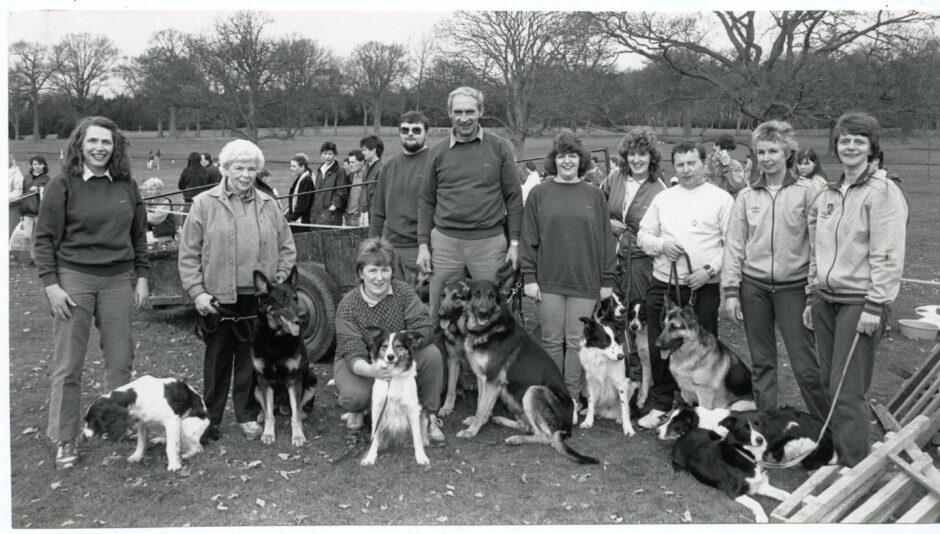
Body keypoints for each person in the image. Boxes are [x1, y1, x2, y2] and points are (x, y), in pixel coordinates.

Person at [34, 116, 150, 469]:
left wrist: (142, 276)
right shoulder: (62, 184)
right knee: (69, 364)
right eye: (93, 142)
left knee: (120, 360)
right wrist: (52, 286)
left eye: (107, 143)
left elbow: (139, 236)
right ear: (79, 145)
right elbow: (43, 239)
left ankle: (116, 424)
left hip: (118, 280)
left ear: (116, 148)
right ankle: (66, 437)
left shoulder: (126, 185)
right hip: (74, 280)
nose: (100, 148)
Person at [804, 112, 907, 467]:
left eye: (858, 141)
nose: (850, 146)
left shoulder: (883, 192)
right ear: (836, 145)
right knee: (829, 383)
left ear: (871, 148)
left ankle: (852, 468)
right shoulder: (830, 191)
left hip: (859, 303)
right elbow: (818, 247)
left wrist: (875, 305)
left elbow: (888, 253)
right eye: (844, 139)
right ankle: (839, 452)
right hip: (825, 299)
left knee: (848, 390)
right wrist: (811, 293)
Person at [178, 139, 296, 443]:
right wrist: (198, 292)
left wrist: (279, 280)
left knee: (249, 360)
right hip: (218, 298)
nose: (246, 174)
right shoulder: (204, 203)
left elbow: (287, 247)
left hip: (256, 299)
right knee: (217, 360)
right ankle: (209, 418)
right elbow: (189, 253)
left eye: (251, 168)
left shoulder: (269, 204)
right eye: (239, 167)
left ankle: (245, 414)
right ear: (225, 168)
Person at [722, 121, 829, 422]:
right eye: (761, 152)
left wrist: (812, 291)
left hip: (794, 289)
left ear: (787, 153)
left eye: (773, 151)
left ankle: (826, 427)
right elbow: (734, 245)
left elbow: (820, 245)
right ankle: (767, 426)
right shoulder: (746, 196)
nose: (767, 158)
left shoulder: (809, 191)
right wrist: (731, 291)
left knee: (805, 365)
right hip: (753, 288)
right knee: (762, 363)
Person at [636, 141, 734, 429]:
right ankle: (662, 404)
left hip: (703, 286)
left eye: (692, 163)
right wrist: (661, 245)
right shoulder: (664, 199)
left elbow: (732, 243)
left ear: (704, 164)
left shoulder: (721, 199)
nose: (686, 169)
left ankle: (705, 409)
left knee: (703, 349)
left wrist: (710, 269)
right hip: (664, 284)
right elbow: (644, 234)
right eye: (681, 164)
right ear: (674, 166)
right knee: (661, 344)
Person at [520, 133, 616, 404]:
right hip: (547, 280)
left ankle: (572, 399)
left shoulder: (595, 195)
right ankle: (553, 397)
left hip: (585, 281)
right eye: (561, 155)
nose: (566, 161)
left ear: (581, 160)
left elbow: (606, 240)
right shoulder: (539, 194)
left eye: (572, 155)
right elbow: (528, 239)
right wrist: (529, 277)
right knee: (551, 341)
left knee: (576, 342)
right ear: (554, 160)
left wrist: (606, 280)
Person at [417, 86, 524, 323]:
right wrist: (424, 245)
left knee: (492, 315)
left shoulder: (499, 148)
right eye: (458, 112)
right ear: (449, 113)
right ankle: (443, 359)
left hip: (488, 244)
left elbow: (514, 199)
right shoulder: (437, 152)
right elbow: (426, 201)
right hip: (445, 244)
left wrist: (514, 243)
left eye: (469, 111)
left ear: (481, 111)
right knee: (439, 313)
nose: (463, 118)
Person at [333, 237, 446, 445]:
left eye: (385, 270)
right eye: (372, 271)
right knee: (354, 395)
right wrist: (374, 370)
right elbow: (351, 350)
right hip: (362, 362)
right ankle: (359, 410)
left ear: (392, 272)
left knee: (432, 355)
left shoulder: (403, 292)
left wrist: (402, 346)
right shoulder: (348, 304)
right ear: (361, 273)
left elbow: (424, 328)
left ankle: (428, 416)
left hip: (398, 354)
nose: (379, 277)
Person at [601, 130, 668, 305]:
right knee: (608, 312)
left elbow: (663, 232)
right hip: (608, 258)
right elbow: (595, 208)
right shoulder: (614, 178)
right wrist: (606, 224)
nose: (636, 160)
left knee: (636, 314)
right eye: (632, 154)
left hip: (639, 262)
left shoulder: (660, 190)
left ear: (651, 157)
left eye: (642, 154)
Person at [369, 111, 432, 284]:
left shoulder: (435, 163)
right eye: (405, 130)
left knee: (419, 306)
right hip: (389, 249)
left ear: (427, 134)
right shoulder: (388, 167)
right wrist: (373, 249)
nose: (410, 134)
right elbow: (378, 212)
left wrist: (427, 248)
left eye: (416, 130)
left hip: (420, 250)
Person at [17, 156, 52, 260]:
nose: (37, 167)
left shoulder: (47, 179)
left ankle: (41, 257)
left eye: (40, 164)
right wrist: (21, 213)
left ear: (44, 165)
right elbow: (23, 195)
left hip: (39, 212)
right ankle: (33, 257)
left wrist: (40, 189)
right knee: (27, 236)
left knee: (38, 237)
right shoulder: (27, 177)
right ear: (31, 165)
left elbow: (49, 195)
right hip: (27, 211)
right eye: (35, 164)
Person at [310, 141, 348, 226]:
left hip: (331, 216)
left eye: (330, 154)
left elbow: (341, 193)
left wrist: (331, 210)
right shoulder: (320, 171)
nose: (327, 157)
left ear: (335, 155)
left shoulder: (339, 171)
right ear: (321, 155)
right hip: (317, 214)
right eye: (325, 153)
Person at [285, 153, 315, 233]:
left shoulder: (306, 180)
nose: (291, 168)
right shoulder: (301, 178)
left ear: (302, 167)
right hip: (297, 220)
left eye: (294, 166)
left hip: (301, 222)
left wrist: (291, 218)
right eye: (291, 166)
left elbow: (303, 205)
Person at [358, 135, 385, 226]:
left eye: (365, 150)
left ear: (373, 151)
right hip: (366, 212)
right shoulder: (367, 167)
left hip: (376, 214)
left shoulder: (382, 169)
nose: (362, 153)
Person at [140, 177, 176, 243]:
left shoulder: (165, 202)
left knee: (140, 242)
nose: (148, 192)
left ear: (159, 190)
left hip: (163, 234)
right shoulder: (150, 200)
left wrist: (141, 212)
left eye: (151, 190)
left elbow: (156, 219)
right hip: (152, 233)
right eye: (148, 190)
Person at [344, 149, 365, 227]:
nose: (350, 165)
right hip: (347, 216)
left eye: (353, 162)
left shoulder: (367, 177)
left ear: (362, 161)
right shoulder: (350, 176)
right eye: (350, 162)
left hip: (359, 217)